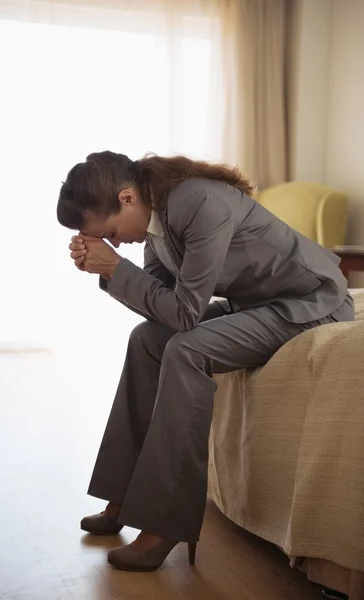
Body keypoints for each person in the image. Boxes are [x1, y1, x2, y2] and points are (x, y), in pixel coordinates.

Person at [57, 151, 354, 572]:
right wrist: (109, 272)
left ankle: (165, 524)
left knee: (186, 348)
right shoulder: (154, 217)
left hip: (309, 305)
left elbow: (184, 315)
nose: (116, 243)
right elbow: (159, 304)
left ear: (126, 198)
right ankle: (123, 496)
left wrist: (117, 267)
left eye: (111, 234)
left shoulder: (198, 202)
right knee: (147, 341)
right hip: (253, 305)